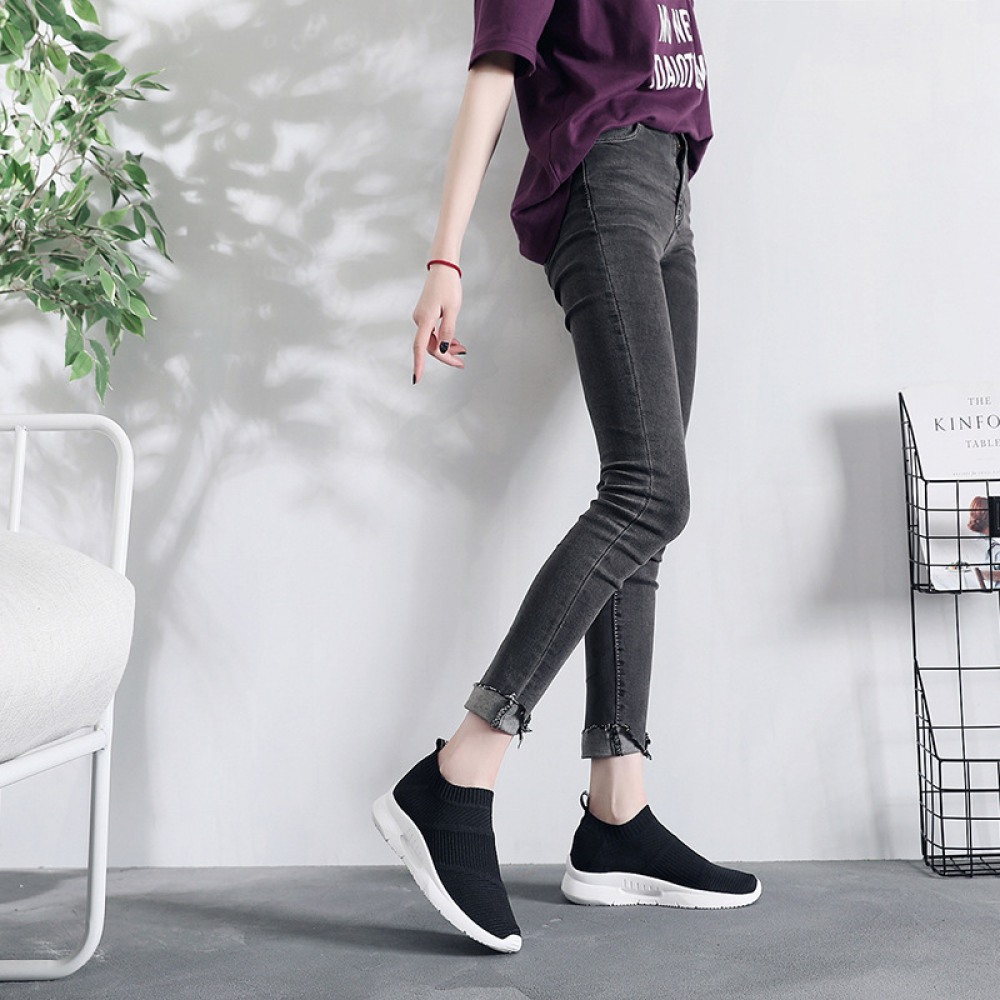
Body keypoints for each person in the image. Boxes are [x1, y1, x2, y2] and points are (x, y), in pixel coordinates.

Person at [372, 0, 761, 954]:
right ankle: (460, 770)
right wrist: (444, 257)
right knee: (648, 492)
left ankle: (616, 815)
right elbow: (495, 65)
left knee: (646, 519)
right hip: (606, 178)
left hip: (670, 189)